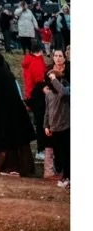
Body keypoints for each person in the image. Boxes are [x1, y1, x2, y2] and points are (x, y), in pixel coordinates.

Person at [0, 49, 36, 176]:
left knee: (10, 141)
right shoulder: (8, 73)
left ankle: (12, 168)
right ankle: (26, 168)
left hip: (7, 114)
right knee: (22, 143)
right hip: (17, 111)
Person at [43, 49, 70, 189]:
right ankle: (64, 175)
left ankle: (68, 176)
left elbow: (64, 92)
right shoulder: (49, 94)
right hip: (54, 126)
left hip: (65, 125)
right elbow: (47, 110)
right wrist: (46, 125)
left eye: (61, 56)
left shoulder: (64, 88)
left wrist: (55, 79)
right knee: (59, 153)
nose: (58, 58)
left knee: (67, 152)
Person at [22, 41, 49, 168]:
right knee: (42, 123)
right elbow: (40, 81)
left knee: (39, 123)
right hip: (38, 96)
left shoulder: (28, 61)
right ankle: (41, 149)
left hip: (31, 95)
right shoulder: (37, 62)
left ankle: (41, 149)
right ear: (40, 51)